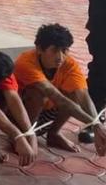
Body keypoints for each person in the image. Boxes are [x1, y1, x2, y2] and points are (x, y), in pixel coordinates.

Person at [14, 24, 106, 155]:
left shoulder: (69, 64)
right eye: (55, 50)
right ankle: (25, 135)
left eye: (64, 50)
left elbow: (83, 96)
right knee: (37, 93)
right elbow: (57, 97)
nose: (60, 57)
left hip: (46, 115)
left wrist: (96, 124)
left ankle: (54, 134)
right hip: (19, 117)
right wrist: (95, 125)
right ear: (39, 49)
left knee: (74, 93)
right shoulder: (26, 62)